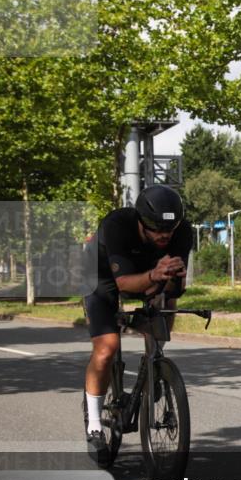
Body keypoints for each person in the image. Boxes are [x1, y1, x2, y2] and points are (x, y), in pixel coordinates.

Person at [82, 185, 192, 463]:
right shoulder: (117, 225)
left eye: (170, 229)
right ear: (141, 221)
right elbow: (123, 284)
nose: (164, 235)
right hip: (102, 276)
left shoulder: (182, 232)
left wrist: (171, 280)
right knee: (107, 348)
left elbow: (175, 289)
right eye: (156, 229)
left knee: (164, 308)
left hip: (148, 270)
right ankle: (94, 425)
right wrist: (154, 276)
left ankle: (154, 367)